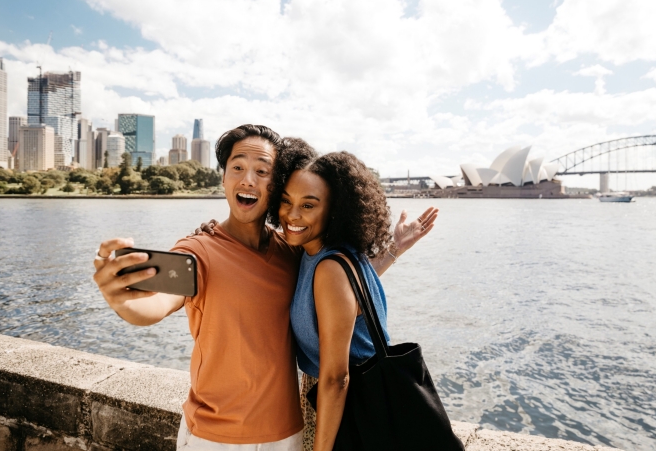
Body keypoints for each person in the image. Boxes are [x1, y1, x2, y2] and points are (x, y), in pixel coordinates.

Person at [92, 125, 435, 450]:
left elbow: (340, 294)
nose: (248, 179)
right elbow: (155, 304)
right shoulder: (199, 251)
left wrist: (392, 250)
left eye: (262, 170)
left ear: (276, 184)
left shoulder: (292, 252)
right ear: (223, 178)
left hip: (288, 434)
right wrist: (119, 296)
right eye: (237, 167)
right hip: (215, 437)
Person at [268, 145, 438, 451]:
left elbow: (336, 378)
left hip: (344, 406)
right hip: (354, 398)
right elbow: (350, 299)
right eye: (285, 201)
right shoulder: (330, 253)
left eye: (308, 205)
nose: (291, 215)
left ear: (334, 210)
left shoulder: (329, 267)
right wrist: (394, 249)